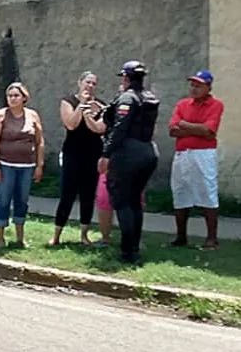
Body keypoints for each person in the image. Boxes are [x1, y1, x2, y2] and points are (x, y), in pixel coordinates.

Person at [98, 60, 160, 264]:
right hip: (148, 150)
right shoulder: (149, 97)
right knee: (134, 201)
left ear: (126, 78)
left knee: (123, 201)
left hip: (128, 153)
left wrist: (106, 154)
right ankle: (134, 247)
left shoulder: (127, 98)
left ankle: (127, 252)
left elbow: (119, 128)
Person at [168, 70, 224, 249]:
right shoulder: (182, 104)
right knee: (180, 191)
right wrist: (196, 128)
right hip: (183, 153)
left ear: (208, 87)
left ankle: (212, 238)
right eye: (192, 85)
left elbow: (209, 131)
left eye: (199, 85)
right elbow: (172, 130)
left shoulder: (215, 105)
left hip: (203, 153)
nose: (194, 88)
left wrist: (185, 125)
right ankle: (181, 236)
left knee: (207, 191)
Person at [50, 72, 107, 246]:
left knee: (88, 196)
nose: (90, 86)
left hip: (93, 154)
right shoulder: (68, 101)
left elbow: (100, 129)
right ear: (80, 83)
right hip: (72, 154)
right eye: (87, 82)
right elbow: (71, 124)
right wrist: (81, 106)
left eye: (93, 83)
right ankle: (57, 235)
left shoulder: (101, 106)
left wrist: (90, 113)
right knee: (67, 195)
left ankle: (84, 235)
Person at [0, 82, 45, 247]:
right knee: (3, 199)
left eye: (16, 95)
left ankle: (20, 237)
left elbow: (40, 141)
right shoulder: (0, 116)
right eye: (10, 96)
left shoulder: (33, 115)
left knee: (22, 200)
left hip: (26, 166)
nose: (12, 99)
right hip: (5, 165)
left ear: (24, 98)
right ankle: (0, 238)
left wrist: (39, 165)